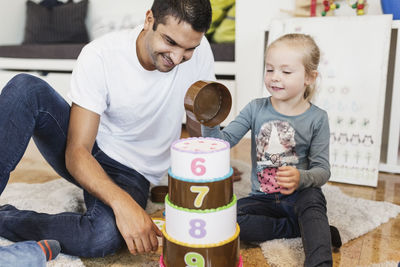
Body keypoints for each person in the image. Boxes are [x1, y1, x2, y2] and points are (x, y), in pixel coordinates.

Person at [0, 0, 214, 257]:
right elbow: (77, 151)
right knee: (26, 89)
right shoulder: (101, 55)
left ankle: (5, 219)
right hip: (86, 150)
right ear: (149, 20)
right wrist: (121, 202)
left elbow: (199, 131)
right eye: (170, 42)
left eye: (189, 48)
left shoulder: (201, 52)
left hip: (134, 171)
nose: (178, 58)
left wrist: (210, 171)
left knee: (101, 237)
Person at [201, 33, 339, 266]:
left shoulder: (317, 118)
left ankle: (319, 260)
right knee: (224, 218)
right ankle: (302, 229)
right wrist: (208, 119)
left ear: (309, 77)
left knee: (313, 201)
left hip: (300, 195)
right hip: (262, 197)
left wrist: (300, 177)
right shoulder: (256, 108)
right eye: (270, 69)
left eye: (286, 72)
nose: (275, 77)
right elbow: (222, 142)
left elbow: (323, 171)